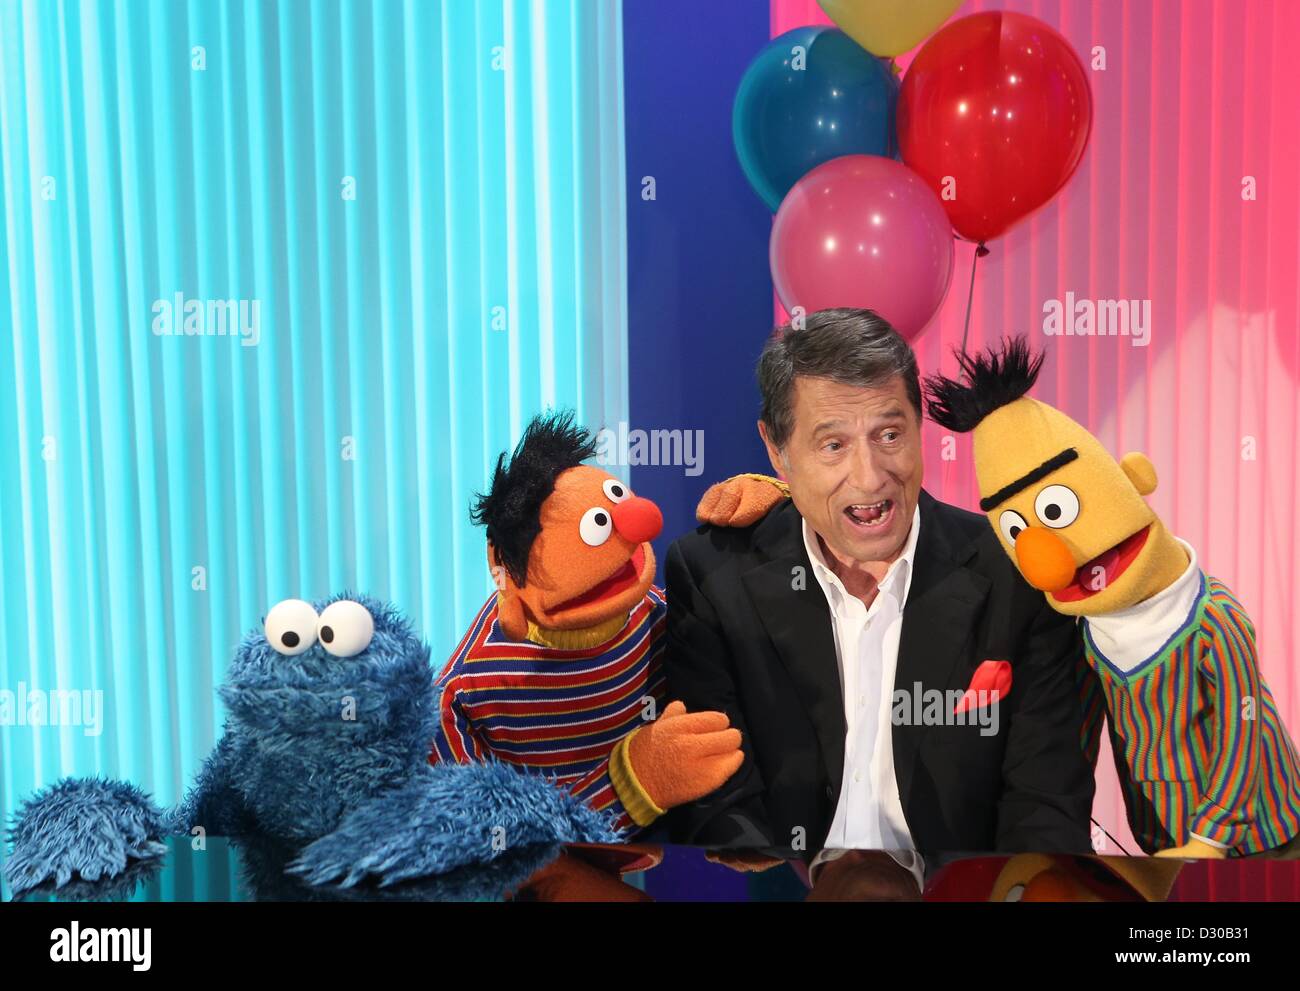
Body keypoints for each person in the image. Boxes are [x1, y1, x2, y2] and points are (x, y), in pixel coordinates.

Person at [662, 308, 1097, 898]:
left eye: (889, 436)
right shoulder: (713, 574)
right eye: (833, 445)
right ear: (777, 450)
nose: (869, 478)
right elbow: (716, 802)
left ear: (919, 427)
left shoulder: (1015, 575)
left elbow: (1045, 809)